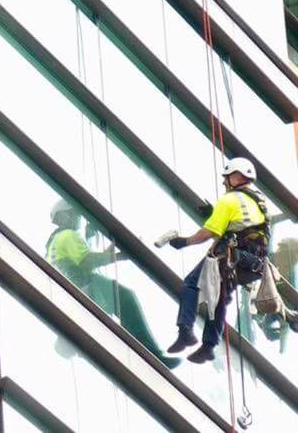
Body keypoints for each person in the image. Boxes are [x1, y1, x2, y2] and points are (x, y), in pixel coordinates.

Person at [47, 200, 180, 368]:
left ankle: (134, 352)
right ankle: (149, 353)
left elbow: (87, 260)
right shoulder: (67, 235)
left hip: (74, 289)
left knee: (119, 306)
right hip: (84, 286)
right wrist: (119, 256)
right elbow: (88, 262)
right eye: (75, 214)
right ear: (64, 216)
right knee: (125, 299)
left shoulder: (55, 241)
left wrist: (114, 247)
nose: (78, 218)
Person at [164, 157, 271, 363]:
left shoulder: (229, 200)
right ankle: (208, 346)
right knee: (220, 298)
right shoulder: (257, 199)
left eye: (227, 177)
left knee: (191, 284)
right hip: (251, 262)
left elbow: (208, 233)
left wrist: (184, 242)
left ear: (237, 176)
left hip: (229, 255)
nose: (225, 182)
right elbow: (244, 224)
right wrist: (214, 212)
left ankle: (185, 332)